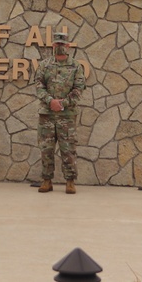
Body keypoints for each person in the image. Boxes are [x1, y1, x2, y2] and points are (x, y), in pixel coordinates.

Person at [35, 31, 85, 194]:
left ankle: (70, 182)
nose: (59, 47)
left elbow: (78, 89)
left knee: (68, 149)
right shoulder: (44, 65)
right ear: (52, 46)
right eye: (57, 44)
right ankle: (46, 181)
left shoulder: (76, 66)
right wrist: (50, 101)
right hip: (47, 115)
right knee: (46, 148)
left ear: (68, 46)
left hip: (67, 116)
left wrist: (62, 103)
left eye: (62, 45)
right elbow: (39, 85)